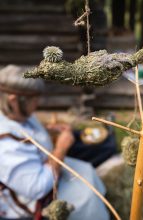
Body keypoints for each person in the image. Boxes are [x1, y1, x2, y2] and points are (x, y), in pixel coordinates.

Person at [0, 65, 109, 220]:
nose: (37, 104)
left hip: (45, 167)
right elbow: (38, 187)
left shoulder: (15, 115)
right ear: (14, 100)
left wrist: (49, 131)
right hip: (33, 198)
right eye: (33, 99)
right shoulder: (4, 145)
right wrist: (61, 148)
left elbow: (24, 133)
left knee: (86, 170)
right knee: (86, 196)